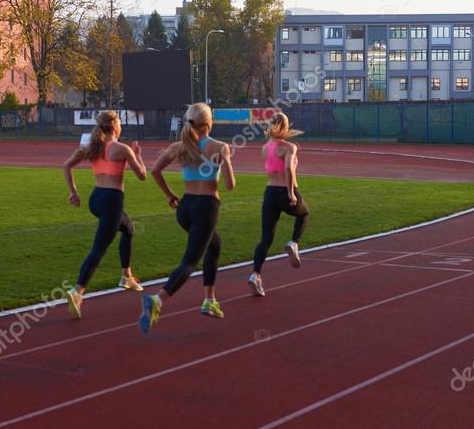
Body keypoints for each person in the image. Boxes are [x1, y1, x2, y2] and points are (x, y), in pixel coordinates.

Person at [139, 102, 236, 333]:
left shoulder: (179, 146)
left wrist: (170, 194)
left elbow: (155, 170)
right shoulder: (219, 147)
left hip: (185, 208)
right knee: (189, 262)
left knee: (215, 245)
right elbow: (230, 185)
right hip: (206, 208)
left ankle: (209, 300)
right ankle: (158, 300)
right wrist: (227, 161)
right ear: (209, 123)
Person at [62, 110, 147, 320]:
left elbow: (66, 166)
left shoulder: (92, 147)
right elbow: (143, 175)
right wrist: (137, 156)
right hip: (111, 201)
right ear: (115, 126)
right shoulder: (122, 149)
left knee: (128, 229)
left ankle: (126, 276)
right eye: (120, 122)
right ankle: (78, 291)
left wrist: (74, 192)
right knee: (99, 249)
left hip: (96, 199)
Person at [249, 112, 309, 297]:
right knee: (304, 214)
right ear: (285, 126)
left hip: (270, 194)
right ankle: (294, 242)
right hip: (285, 191)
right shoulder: (289, 147)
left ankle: (255, 274)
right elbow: (288, 168)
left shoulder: (265, 147)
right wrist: (291, 192)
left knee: (266, 239)